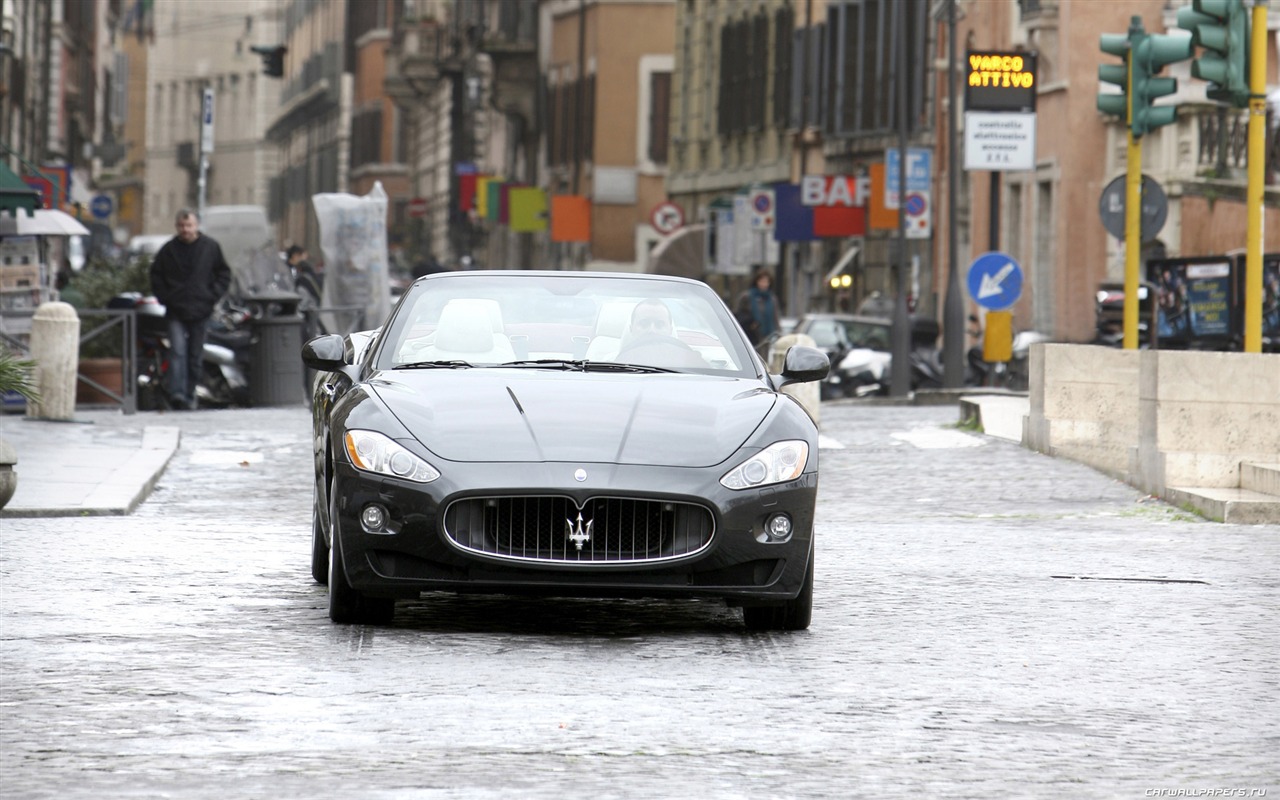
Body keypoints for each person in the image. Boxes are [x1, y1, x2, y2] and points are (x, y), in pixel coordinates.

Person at [150, 209, 232, 410]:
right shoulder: (168, 250)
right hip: (176, 310)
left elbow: (224, 273)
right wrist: (165, 298)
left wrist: (211, 295)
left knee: (195, 355)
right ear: (177, 227)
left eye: (189, 225)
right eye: (181, 226)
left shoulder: (210, 247)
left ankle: (190, 392)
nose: (185, 230)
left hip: (201, 309)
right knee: (177, 352)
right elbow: (156, 275)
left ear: (197, 226)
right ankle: (178, 394)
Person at [735, 269, 780, 348]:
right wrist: (750, 323)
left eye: (766, 282)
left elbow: (775, 318)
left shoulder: (772, 299)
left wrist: (778, 333)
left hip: (766, 338)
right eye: (762, 281)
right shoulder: (747, 296)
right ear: (756, 281)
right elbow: (738, 314)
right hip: (749, 335)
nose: (764, 284)